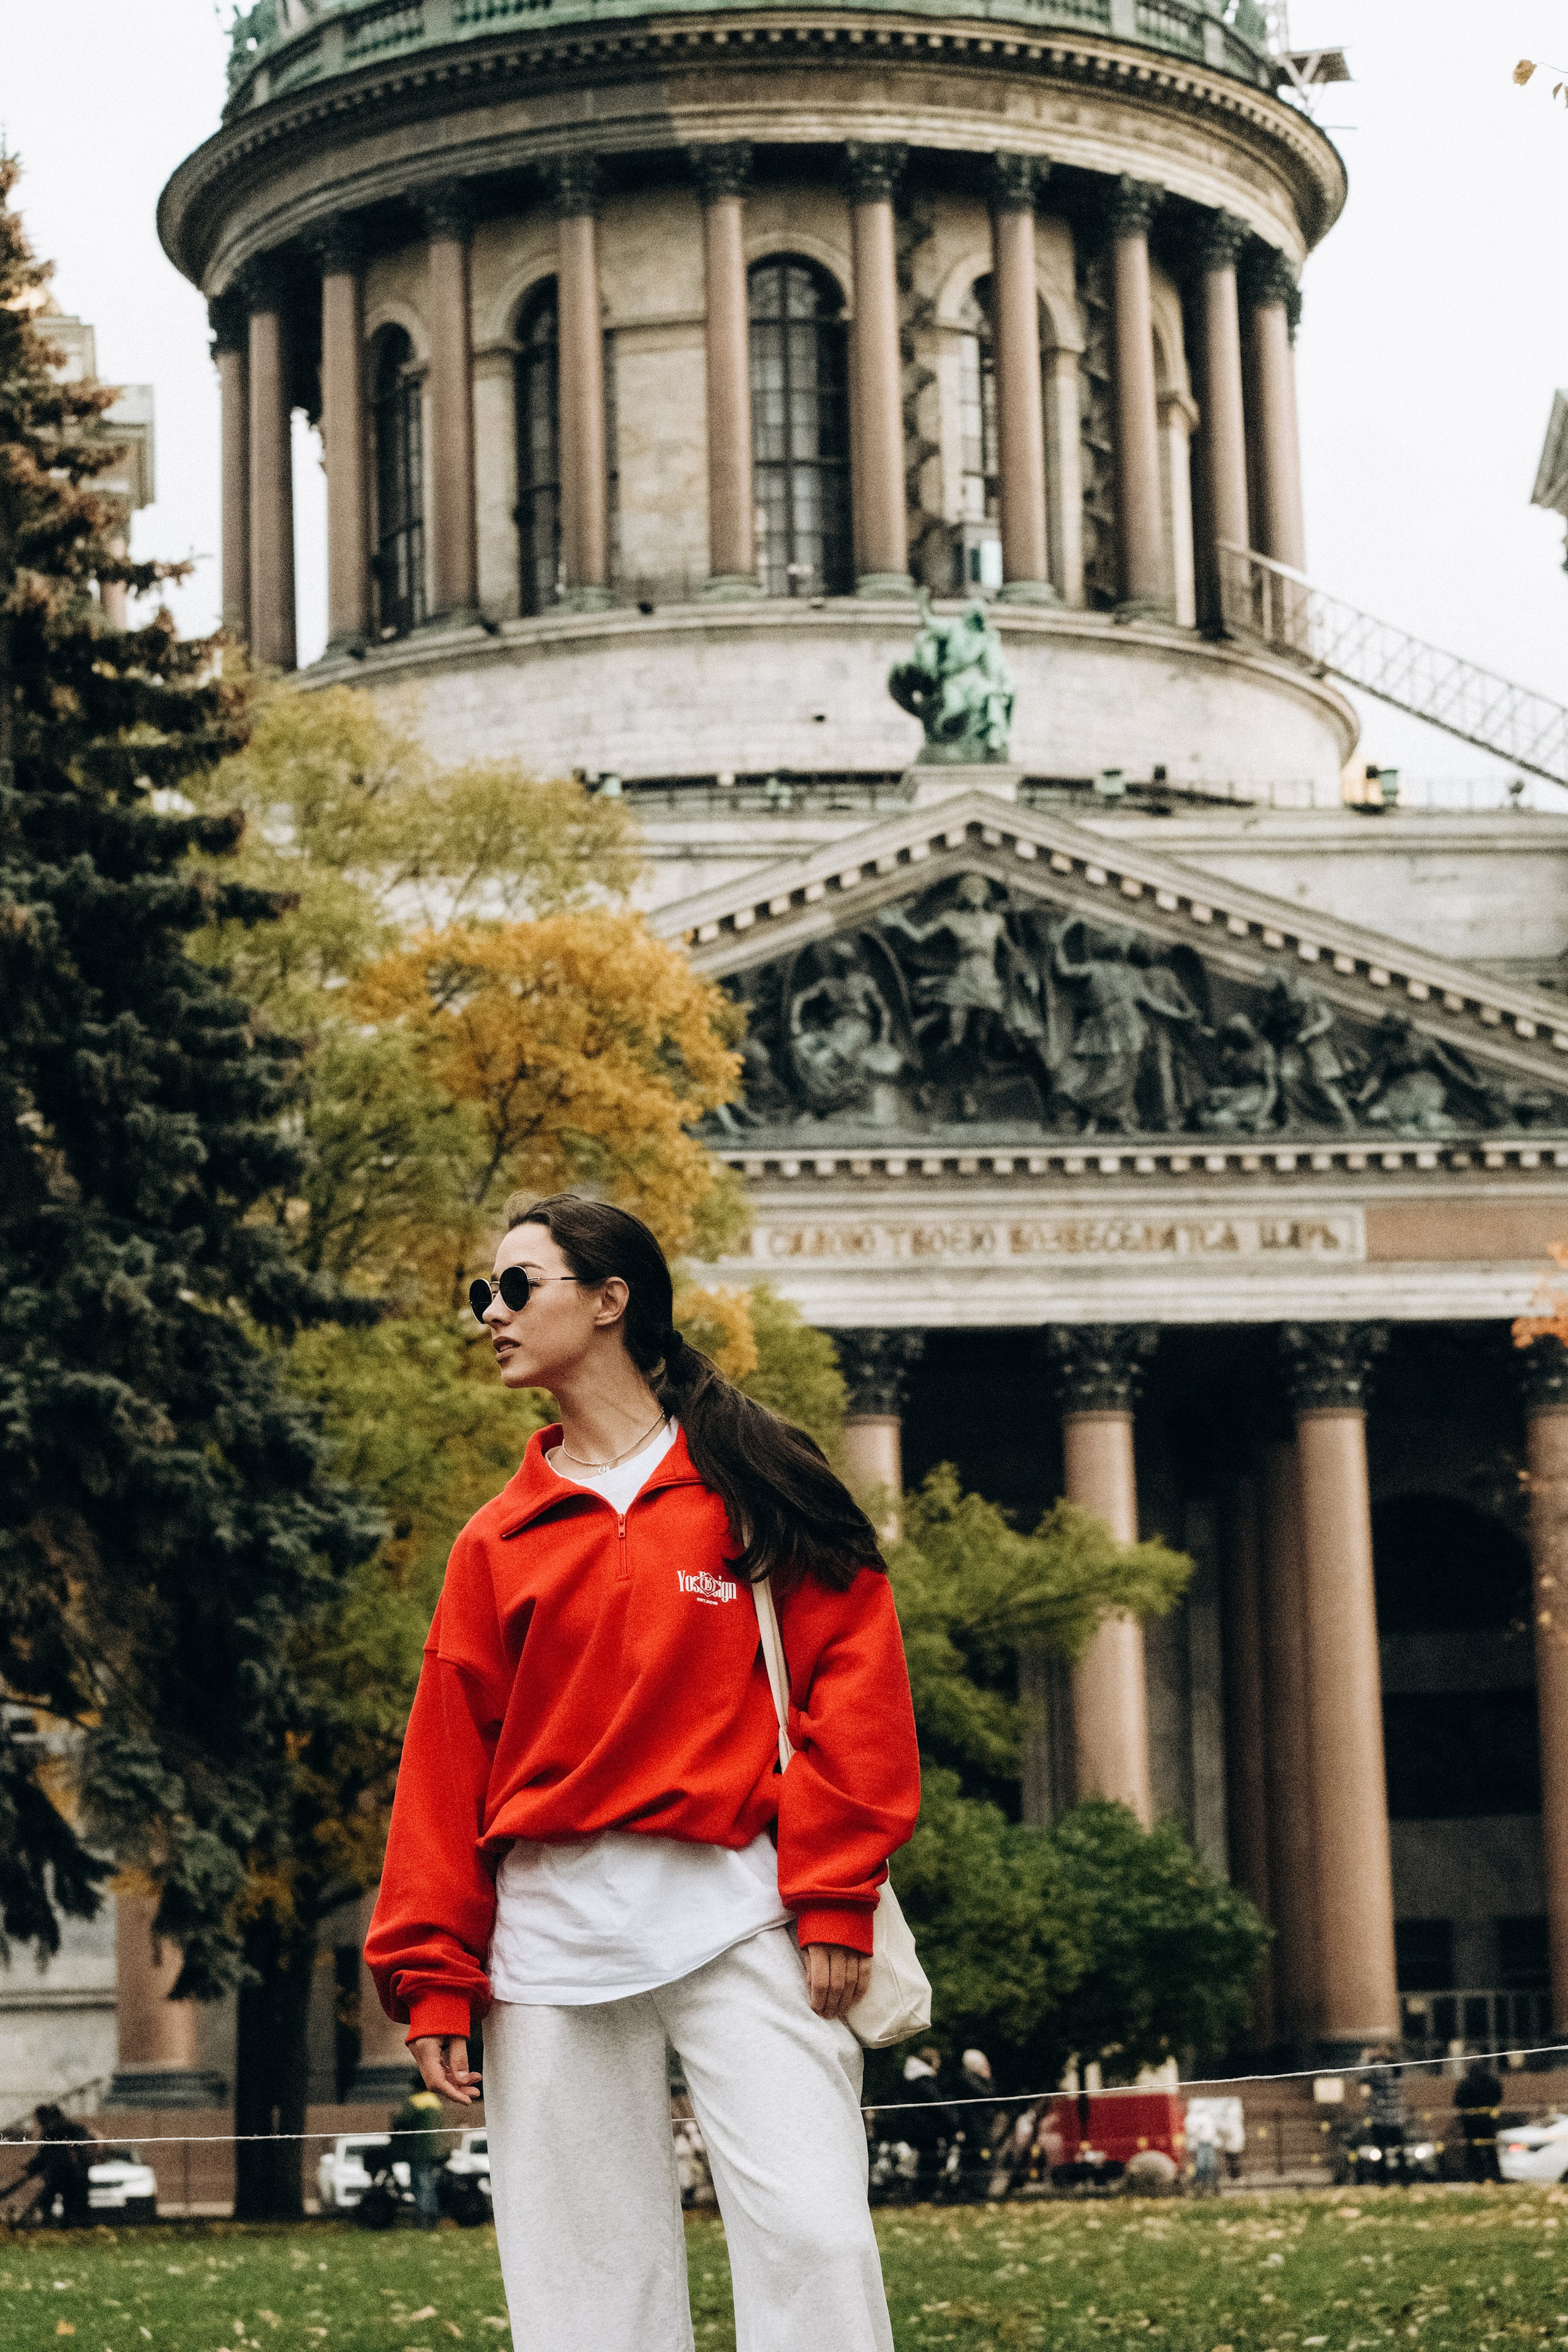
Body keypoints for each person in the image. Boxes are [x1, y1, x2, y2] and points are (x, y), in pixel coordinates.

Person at [366, 1194, 921, 2352]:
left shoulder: (756, 1481)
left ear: (610, 1301)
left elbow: (856, 1691)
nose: (492, 1314)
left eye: (519, 1287)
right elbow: (444, 1770)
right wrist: (432, 1973)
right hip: (550, 1946)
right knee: (584, 2301)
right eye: (485, 1293)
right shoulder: (495, 1541)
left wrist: (834, 1891)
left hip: (747, 1916)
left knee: (820, 2244)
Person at [15, 2105, 96, 2227]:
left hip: (72, 2176)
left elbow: (47, 2157)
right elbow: (44, 2157)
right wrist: (31, 2168)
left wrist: (32, 2169)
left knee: (70, 2205)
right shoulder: (62, 2132)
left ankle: (72, 2228)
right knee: (53, 2203)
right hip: (64, 2176)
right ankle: (65, 2227)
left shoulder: (69, 2131)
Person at [391, 2085, 447, 2230]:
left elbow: (403, 2123)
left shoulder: (415, 2101)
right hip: (436, 2150)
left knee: (420, 2183)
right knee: (430, 2183)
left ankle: (424, 2218)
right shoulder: (435, 2100)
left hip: (418, 2150)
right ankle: (433, 2215)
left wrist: (394, 2120)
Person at [1454, 2056, 1502, 2182]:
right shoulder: (1491, 2081)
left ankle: (1476, 2176)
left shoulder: (1466, 2083)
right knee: (1490, 2149)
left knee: (1473, 2150)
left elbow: (1458, 2100)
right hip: (1488, 2121)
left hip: (1471, 2123)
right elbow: (1499, 2095)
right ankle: (1495, 2176)